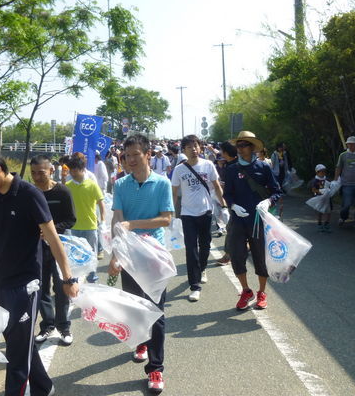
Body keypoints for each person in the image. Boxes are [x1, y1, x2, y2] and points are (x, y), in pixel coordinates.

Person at [0, 146, 78, 396]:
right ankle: (44, 387)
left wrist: (67, 277)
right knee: (18, 343)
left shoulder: (29, 194)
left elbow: (53, 238)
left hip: (27, 283)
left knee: (16, 355)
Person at [108, 134, 174, 394]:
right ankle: (141, 342)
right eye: (127, 156)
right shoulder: (121, 185)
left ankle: (156, 368)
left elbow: (166, 219)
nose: (131, 160)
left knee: (155, 312)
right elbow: (117, 220)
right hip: (129, 255)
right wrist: (115, 254)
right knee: (134, 308)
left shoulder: (162, 183)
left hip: (154, 255)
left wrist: (134, 225)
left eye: (136, 154)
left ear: (148, 154)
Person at [224, 131, 282, 310]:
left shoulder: (263, 167)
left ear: (251, 147)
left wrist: (268, 201)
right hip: (238, 220)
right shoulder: (231, 169)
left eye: (243, 145)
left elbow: (276, 191)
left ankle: (262, 292)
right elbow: (227, 194)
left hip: (258, 220)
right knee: (236, 255)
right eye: (238, 145)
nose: (240, 149)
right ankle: (246, 290)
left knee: (260, 256)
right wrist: (233, 206)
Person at [171, 135, 228, 302]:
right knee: (191, 249)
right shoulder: (179, 170)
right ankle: (194, 286)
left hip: (206, 211)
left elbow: (217, 186)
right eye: (189, 147)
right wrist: (172, 214)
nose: (193, 149)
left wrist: (223, 206)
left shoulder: (208, 165)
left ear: (200, 148)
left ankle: (202, 268)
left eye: (195, 145)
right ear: (184, 151)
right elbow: (174, 193)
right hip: (187, 214)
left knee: (205, 245)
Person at [29, 155, 77, 346]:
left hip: (60, 246)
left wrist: (51, 231)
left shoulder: (63, 192)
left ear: (51, 170)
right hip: (37, 248)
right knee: (41, 288)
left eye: (40, 172)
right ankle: (47, 325)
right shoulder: (30, 192)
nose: (36, 177)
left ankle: (64, 326)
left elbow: (71, 219)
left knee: (62, 287)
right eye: (33, 173)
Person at [66, 153, 105, 283]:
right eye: (71, 170)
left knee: (91, 254)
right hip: (74, 227)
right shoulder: (68, 186)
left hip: (90, 226)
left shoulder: (92, 184)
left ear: (82, 169)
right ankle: (75, 281)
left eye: (75, 170)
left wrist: (103, 221)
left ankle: (92, 279)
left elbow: (101, 203)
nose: (72, 173)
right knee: (75, 256)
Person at [311, 164, 332, 232]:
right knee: (320, 212)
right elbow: (313, 190)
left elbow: (330, 186)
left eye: (324, 171)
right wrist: (320, 192)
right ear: (317, 172)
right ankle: (319, 224)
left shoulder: (327, 179)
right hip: (319, 198)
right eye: (321, 171)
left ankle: (327, 224)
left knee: (328, 211)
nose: (323, 173)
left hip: (327, 198)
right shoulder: (315, 180)